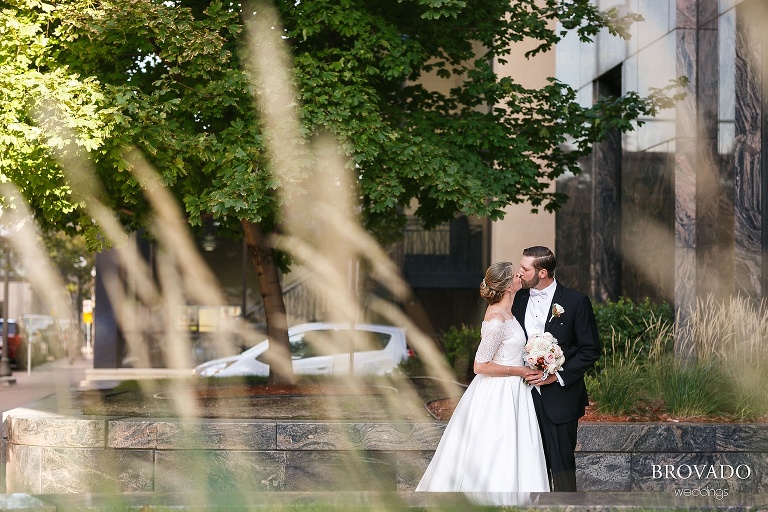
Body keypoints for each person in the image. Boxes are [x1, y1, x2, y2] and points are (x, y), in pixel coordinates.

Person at [416, 261, 549, 492]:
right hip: (499, 394)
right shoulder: (496, 319)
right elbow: (480, 365)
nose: (520, 276)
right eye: (516, 275)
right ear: (508, 286)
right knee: (497, 445)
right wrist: (520, 370)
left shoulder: (508, 312)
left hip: (515, 391)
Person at [512, 246, 601, 492]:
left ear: (542, 272)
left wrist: (556, 376)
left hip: (561, 398)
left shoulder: (576, 301)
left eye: (524, 269)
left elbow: (590, 350)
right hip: (522, 397)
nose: (519, 273)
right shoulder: (517, 298)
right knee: (527, 466)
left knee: (561, 467)